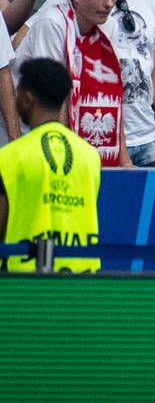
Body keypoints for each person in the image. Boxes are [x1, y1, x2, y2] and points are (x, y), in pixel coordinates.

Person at [0, 58, 99, 271]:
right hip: (82, 275)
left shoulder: (9, 157)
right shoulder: (90, 156)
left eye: (18, 93)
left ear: (27, 98)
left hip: (23, 278)